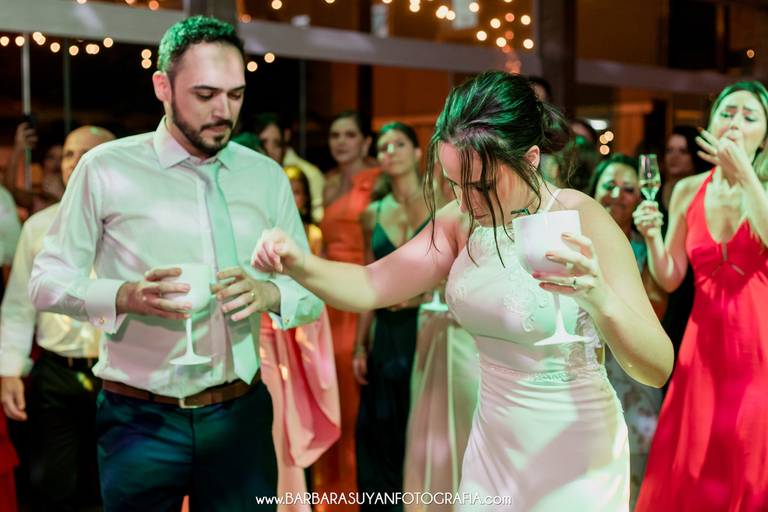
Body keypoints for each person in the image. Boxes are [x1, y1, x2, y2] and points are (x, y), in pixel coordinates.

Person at [253, 71, 673, 511]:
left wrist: (600, 298)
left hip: (573, 451)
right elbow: (370, 285)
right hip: (492, 443)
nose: (468, 201)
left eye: (482, 186)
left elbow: (657, 366)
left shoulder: (582, 217)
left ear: (530, 159)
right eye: (455, 184)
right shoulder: (460, 221)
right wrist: (300, 263)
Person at [29, 16, 322, 511]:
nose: (223, 111)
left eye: (235, 94)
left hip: (240, 415)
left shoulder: (266, 176)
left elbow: (311, 291)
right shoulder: (106, 168)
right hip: (138, 420)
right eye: (205, 94)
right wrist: (123, 296)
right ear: (162, 86)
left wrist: (268, 293)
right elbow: (45, 281)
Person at [634, 81, 768, 511]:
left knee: (750, 463)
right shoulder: (688, 189)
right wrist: (652, 236)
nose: (735, 124)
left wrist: (745, 174)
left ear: (765, 135)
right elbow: (670, 278)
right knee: (694, 467)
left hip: (758, 352)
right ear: (710, 124)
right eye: (727, 113)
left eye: (749, 117)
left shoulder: (763, 189)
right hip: (701, 352)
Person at [0, 125, 114, 511]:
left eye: (87, 153)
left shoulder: (133, 227)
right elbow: (19, 305)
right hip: (55, 373)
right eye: (68, 154)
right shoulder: (39, 227)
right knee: (52, 483)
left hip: (117, 373)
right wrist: (10, 371)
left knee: (110, 483)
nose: (73, 163)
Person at [352, 122, 428, 510]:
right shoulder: (373, 213)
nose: (391, 152)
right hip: (386, 332)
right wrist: (358, 347)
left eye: (400, 144)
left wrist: (418, 298)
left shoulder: (443, 204)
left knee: (420, 427)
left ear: (417, 152)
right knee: (381, 430)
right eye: (384, 147)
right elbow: (368, 279)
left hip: (428, 328)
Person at [590, 154, 665, 508]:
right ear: (593, 191)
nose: (617, 194)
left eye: (629, 189)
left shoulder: (646, 249)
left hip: (632, 371)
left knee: (637, 457)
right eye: (609, 185)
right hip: (585, 364)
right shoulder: (571, 240)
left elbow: (657, 308)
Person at [313, 110, 380, 510]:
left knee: (352, 406)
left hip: (358, 293)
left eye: (349, 135)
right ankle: (328, 496)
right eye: (335, 135)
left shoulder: (377, 179)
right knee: (328, 398)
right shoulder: (328, 181)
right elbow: (323, 247)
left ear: (365, 142)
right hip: (328, 297)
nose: (340, 142)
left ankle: (353, 497)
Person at [252, 113, 326, 223]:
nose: (270, 150)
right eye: (263, 143)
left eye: (277, 144)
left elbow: (316, 217)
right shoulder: (246, 180)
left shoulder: (305, 175)